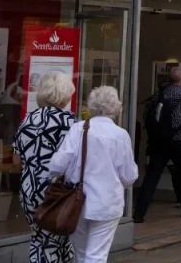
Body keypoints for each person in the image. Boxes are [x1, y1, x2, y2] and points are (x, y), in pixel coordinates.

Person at [48, 87, 138, 263]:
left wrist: (53, 176)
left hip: (76, 200)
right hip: (107, 202)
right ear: (116, 108)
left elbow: (58, 164)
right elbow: (129, 176)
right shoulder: (120, 135)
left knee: (80, 253)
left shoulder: (78, 129)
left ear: (91, 106)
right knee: (97, 255)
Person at [13, 71, 76, 263]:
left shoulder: (28, 120)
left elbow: (16, 160)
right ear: (64, 96)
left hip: (29, 189)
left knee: (44, 239)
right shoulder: (69, 122)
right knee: (51, 243)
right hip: (56, 192)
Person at [134, 66, 181, 224]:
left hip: (159, 142)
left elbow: (148, 115)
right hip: (179, 141)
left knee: (152, 176)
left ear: (169, 80)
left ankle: (139, 212)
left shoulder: (158, 95)